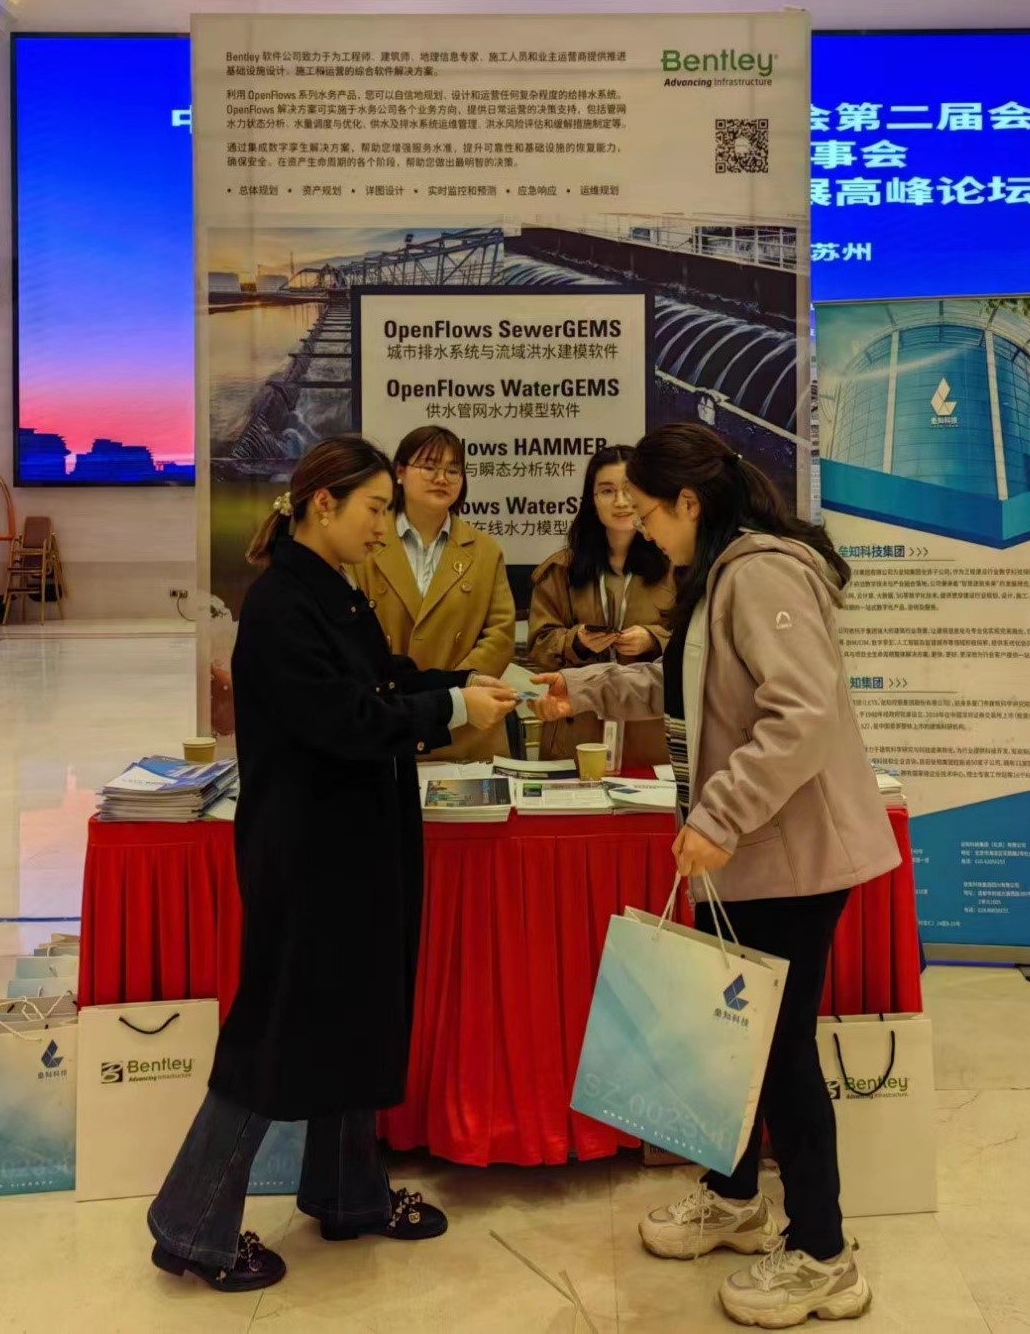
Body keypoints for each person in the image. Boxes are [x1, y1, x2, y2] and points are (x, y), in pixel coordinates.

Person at [532, 422, 898, 1330]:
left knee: (778, 1053)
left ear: (689, 502)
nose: (642, 527)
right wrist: (579, 689)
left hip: (789, 858)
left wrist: (719, 814)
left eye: (650, 510)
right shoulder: (719, 573)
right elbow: (690, 690)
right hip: (746, 856)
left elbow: (801, 715)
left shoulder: (760, 572)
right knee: (736, 1042)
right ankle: (735, 1199)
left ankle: (824, 1257)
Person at [147, 436, 517, 1293]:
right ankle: (191, 1225)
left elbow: (387, 679)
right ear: (324, 504)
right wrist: (451, 706)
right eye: (375, 508)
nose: (384, 526)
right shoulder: (282, 605)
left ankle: (349, 1191)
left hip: (356, 844)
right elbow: (347, 718)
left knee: (358, 1013)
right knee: (275, 1031)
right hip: (309, 854)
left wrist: (471, 683)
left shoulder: (334, 591)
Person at [354, 426, 516, 761]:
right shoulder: (366, 542)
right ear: (400, 472)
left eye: (453, 470)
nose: (441, 478)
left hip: (469, 726)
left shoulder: (484, 550)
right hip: (391, 718)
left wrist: (456, 692)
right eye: (429, 467)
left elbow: (500, 634)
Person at [527, 445, 675, 767]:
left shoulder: (675, 568)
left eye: (629, 490)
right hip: (576, 725)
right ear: (591, 500)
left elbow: (697, 645)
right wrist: (576, 641)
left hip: (648, 732)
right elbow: (538, 646)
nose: (620, 502)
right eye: (607, 491)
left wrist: (654, 639)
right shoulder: (561, 570)